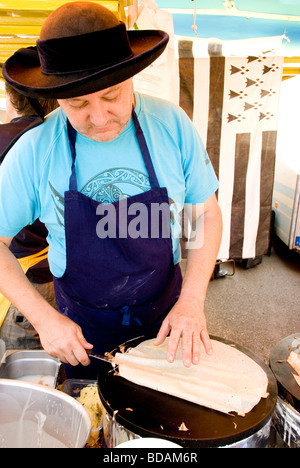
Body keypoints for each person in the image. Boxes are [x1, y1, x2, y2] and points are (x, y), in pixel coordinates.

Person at [0, 1, 222, 378]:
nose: (99, 118)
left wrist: (192, 301)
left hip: (168, 318)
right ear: (56, 95)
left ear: (132, 76)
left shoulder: (171, 125)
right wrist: (43, 319)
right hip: (83, 331)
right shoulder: (36, 149)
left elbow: (206, 213)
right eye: (78, 103)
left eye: (112, 95)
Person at [0, 83, 58, 350]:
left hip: (17, 272)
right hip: (51, 270)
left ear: (12, 98)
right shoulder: (62, 139)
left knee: (16, 356)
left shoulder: (6, 137)